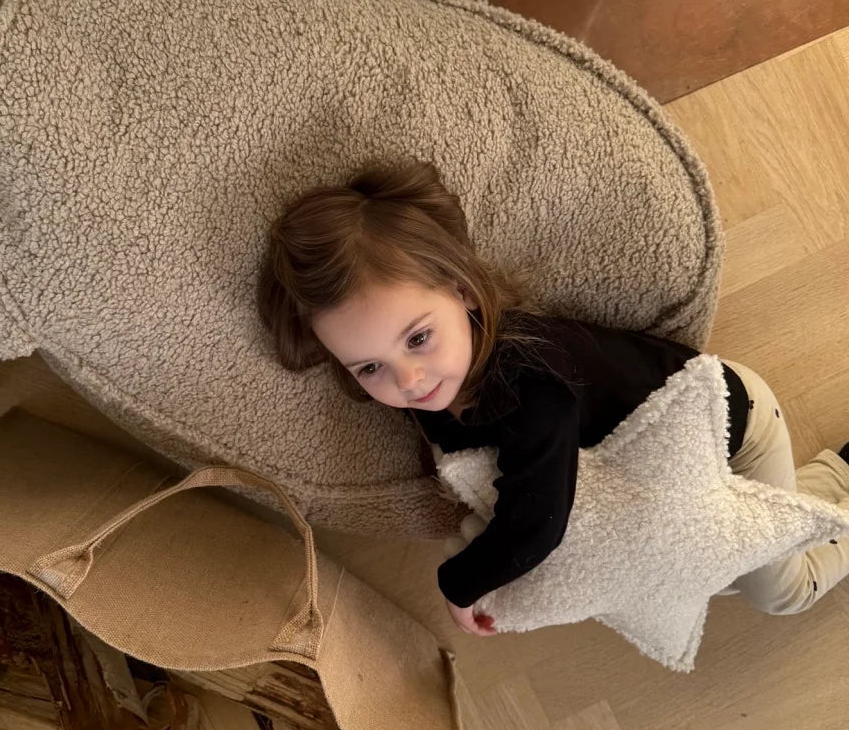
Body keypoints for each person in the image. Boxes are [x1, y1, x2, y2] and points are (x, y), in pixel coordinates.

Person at [258, 162, 849, 636]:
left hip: (731, 429)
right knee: (712, 564)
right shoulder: (438, 374)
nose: (408, 380)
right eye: (369, 367)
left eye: (417, 338)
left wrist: (459, 584)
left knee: (779, 592)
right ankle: (826, 492)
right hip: (644, 469)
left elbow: (538, 519)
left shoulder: (529, 378)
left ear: (462, 291)